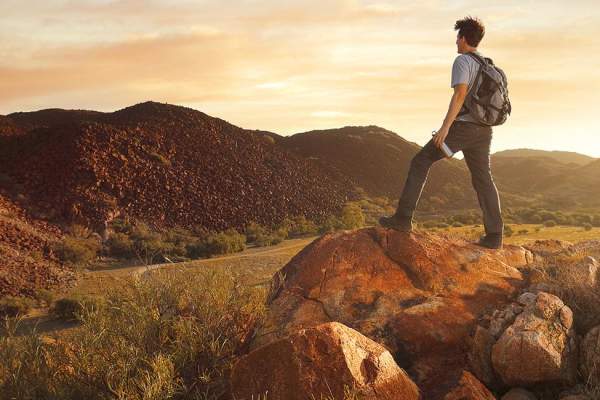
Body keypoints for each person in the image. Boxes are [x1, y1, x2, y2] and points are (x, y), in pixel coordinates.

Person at [379, 16, 504, 249]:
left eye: (457, 37)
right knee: (483, 178)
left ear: (464, 38)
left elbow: (460, 94)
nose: (456, 42)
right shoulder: (487, 65)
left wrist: (445, 128)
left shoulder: (463, 61)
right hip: (484, 131)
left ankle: (403, 219)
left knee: (421, 160)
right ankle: (495, 235)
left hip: (464, 127)